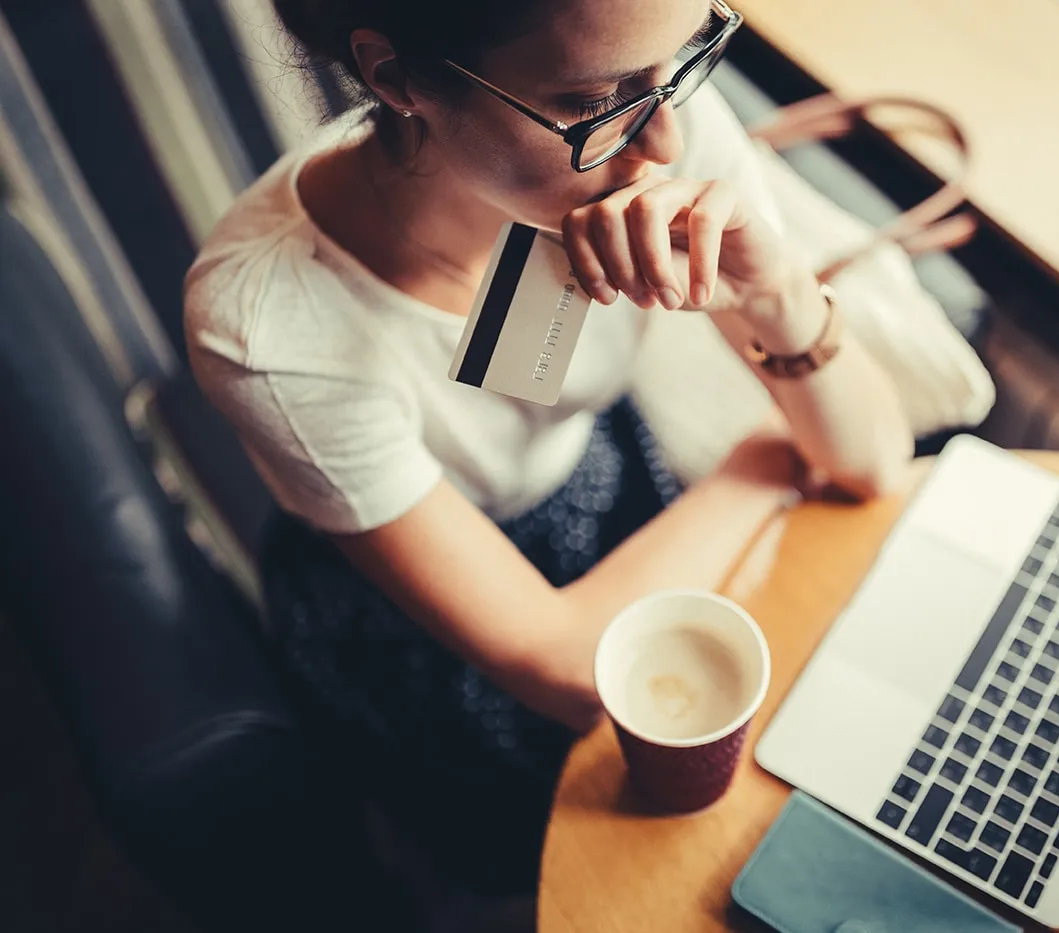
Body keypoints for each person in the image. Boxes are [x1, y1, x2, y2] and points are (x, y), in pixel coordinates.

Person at [184, 0, 992, 904]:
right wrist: (761, 461)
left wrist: (779, 296)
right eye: (589, 101)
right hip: (428, 623)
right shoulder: (267, 332)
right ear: (398, 79)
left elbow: (872, 459)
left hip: (604, 482)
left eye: (681, 62)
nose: (665, 147)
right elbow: (570, 672)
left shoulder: (655, 124)